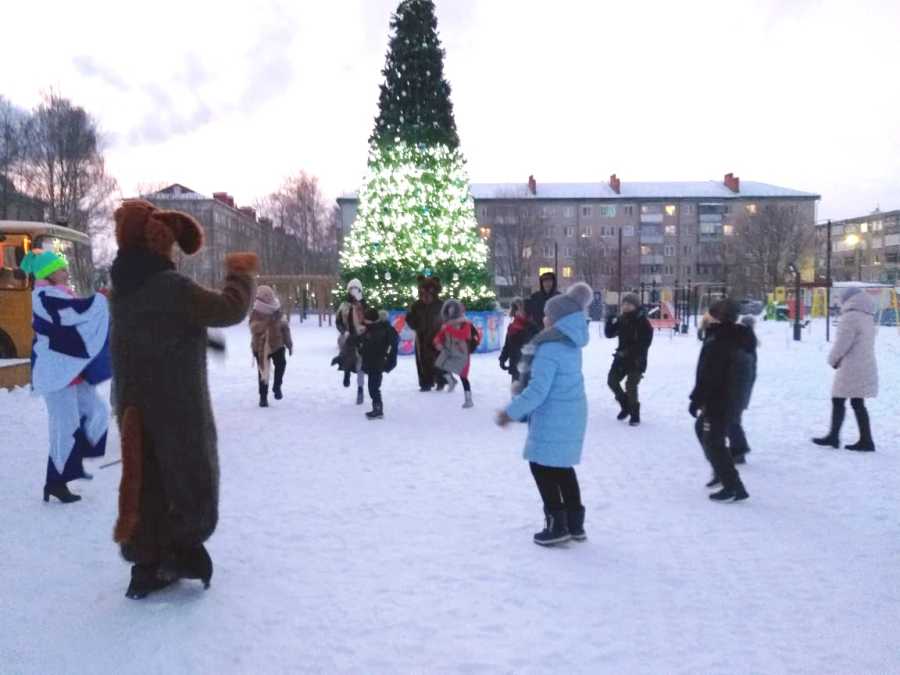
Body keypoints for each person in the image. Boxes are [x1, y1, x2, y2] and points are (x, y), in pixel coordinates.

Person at [109, 199, 257, 599]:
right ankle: (183, 549)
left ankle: (145, 564)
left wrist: (197, 336)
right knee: (191, 473)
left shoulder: (121, 287)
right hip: (176, 404)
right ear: (159, 240)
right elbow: (228, 309)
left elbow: (147, 330)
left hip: (132, 403)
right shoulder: (170, 286)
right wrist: (240, 274)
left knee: (145, 478)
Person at [497, 282, 592, 546]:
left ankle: (557, 525)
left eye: (548, 315)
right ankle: (575, 524)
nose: (544, 318)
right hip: (570, 412)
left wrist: (510, 413)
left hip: (554, 415)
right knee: (562, 468)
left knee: (541, 466)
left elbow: (538, 391)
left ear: (559, 319)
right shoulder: (569, 344)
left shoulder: (550, 348)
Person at [22, 249, 111, 504]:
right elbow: (76, 313)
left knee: (96, 412)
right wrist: (100, 301)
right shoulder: (44, 298)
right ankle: (56, 482)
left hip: (70, 371)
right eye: (61, 268)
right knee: (65, 427)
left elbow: (76, 317)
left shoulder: (59, 295)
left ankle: (72, 462)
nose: (66, 271)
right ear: (49, 274)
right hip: (54, 374)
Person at [688, 299, 751, 502]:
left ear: (718, 317)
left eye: (710, 313)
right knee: (703, 430)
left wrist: (697, 399)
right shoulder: (729, 335)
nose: (705, 317)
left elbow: (710, 374)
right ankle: (721, 472)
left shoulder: (721, 340)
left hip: (720, 399)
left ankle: (733, 486)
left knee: (713, 441)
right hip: (727, 398)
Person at [812, 287, 878, 452]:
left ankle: (835, 437)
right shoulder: (868, 316)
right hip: (865, 363)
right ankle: (865, 439)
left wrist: (832, 359)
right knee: (857, 401)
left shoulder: (850, 317)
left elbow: (842, 343)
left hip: (851, 365)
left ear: (848, 299)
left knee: (838, 398)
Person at [604, 293, 653, 426]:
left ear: (635, 306)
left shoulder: (644, 322)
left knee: (631, 385)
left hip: (636, 360)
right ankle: (625, 405)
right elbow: (609, 334)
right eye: (624, 304)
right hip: (621, 359)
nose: (625, 307)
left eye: (629, 304)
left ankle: (635, 414)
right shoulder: (622, 319)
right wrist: (609, 321)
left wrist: (628, 352)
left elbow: (644, 344)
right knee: (612, 381)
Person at [249, 285, 293, 408]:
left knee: (281, 364)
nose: (269, 298)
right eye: (266, 296)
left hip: (278, 345)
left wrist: (289, 344)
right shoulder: (256, 312)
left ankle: (277, 386)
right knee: (263, 373)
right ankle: (263, 398)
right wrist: (268, 322)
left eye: (270, 295)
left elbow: (285, 329)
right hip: (260, 347)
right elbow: (254, 328)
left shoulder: (277, 309)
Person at [433, 299, 479, 408]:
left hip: (462, 353)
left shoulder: (464, 323)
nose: (450, 312)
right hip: (448, 350)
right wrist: (437, 342)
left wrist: (448, 328)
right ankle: (451, 381)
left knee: (463, 376)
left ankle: (468, 399)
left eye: (452, 310)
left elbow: (464, 335)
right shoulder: (446, 324)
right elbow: (440, 335)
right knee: (439, 365)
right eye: (448, 310)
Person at [359, 307, 400, 420]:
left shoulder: (377, 331)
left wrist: (362, 348)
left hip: (376, 363)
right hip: (376, 363)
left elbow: (372, 348)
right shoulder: (373, 329)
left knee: (374, 387)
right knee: (373, 387)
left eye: (366, 319)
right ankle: (377, 408)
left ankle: (378, 409)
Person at [406, 276, 445, 391]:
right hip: (422, 337)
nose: (427, 294)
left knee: (439, 358)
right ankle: (425, 383)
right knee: (423, 360)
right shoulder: (416, 305)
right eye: (424, 290)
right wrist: (415, 325)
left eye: (430, 290)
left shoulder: (440, 305)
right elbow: (410, 319)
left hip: (438, 337)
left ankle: (440, 380)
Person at [334, 279, 367, 405]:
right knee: (348, 357)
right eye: (351, 289)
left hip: (361, 338)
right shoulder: (344, 305)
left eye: (356, 289)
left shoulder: (363, 305)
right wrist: (344, 331)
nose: (354, 292)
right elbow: (338, 321)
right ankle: (346, 372)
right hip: (348, 337)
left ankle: (360, 389)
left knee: (360, 365)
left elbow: (370, 318)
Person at [499, 298, 538, 383]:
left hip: (529, 368)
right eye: (515, 308)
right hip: (515, 367)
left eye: (520, 308)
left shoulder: (532, 327)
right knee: (515, 394)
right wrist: (502, 358)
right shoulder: (512, 326)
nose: (518, 311)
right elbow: (508, 345)